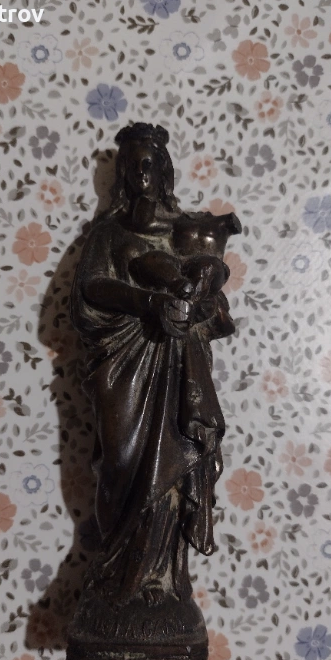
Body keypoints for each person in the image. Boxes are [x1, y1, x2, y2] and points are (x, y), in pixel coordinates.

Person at [70, 122, 240, 608]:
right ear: (122, 174)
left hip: (176, 364)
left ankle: (161, 583)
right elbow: (91, 288)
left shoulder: (186, 230)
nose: (141, 174)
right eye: (132, 166)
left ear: (165, 171)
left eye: (150, 164)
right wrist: (148, 302)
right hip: (122, 363)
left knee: (173, 467)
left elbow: (213, 302)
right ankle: (114, 578)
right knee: (120, 464)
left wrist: (200, 295)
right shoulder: (107, 233)